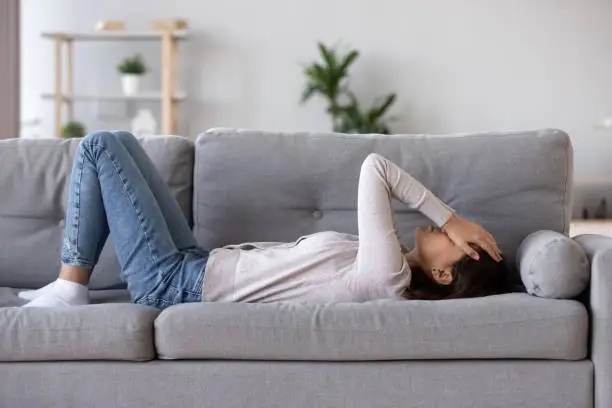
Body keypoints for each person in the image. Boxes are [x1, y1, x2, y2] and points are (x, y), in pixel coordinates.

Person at [19, 131, 507, 308]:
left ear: (444, 274)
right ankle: (67, 287)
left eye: (459, 242)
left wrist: (452, 215)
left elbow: (374, 167)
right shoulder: (388, 260)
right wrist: (454, 225)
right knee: (123, 141)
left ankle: (69, 286)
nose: (450, 231)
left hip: (173, 284)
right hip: (194, 263)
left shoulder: (387, 276)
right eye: (457, 231)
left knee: (99, 146)